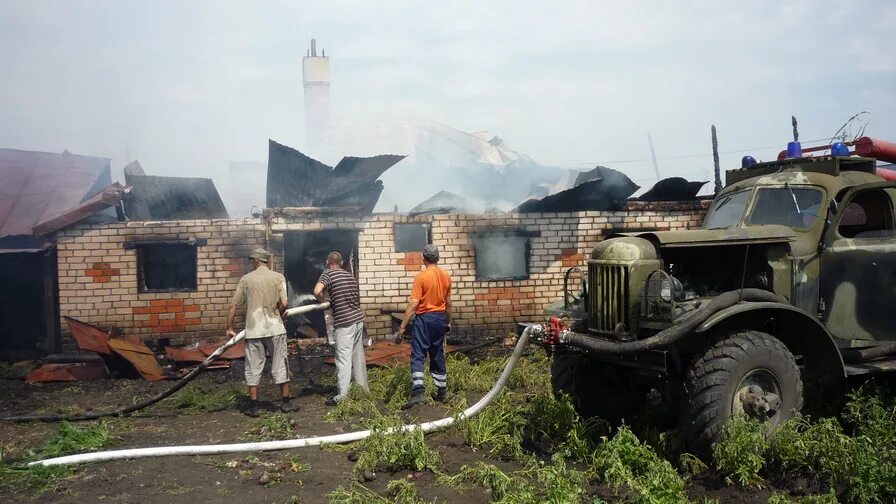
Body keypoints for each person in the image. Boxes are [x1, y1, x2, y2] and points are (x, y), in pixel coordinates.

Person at [226, 248, 297, 417]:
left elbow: (233, 306)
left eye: (252, 260)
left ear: (256, 261)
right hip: (275, 328)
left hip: (254, 330)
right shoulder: (278, 277)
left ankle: (254, 406)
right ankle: (286, 403)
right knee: (280, 364)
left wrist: (230, 328)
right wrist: (278, 313)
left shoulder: (246, 279)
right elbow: (285, 303)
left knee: (253, 366)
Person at [398, 244, 452, 409]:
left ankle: (418, 392)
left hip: (425, 318)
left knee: (419, 353)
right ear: (438, 258)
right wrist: (448, 321)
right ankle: (442, 392)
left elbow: (414, 303)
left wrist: (402, 325)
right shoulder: (446, 276)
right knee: (437, 354)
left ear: (424, 258)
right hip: (440, 318)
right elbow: (448, 302)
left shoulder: (421, 277)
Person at [314, 251, 368, 406]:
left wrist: (324, 300)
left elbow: (317, 291)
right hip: (358, 320)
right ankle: (363, 391)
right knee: (358, 357)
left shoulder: (328, 274)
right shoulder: (350, 276)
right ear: (342, 262)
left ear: (327, 262)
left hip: (344, 323)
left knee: (343, 359)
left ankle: (342, 396)